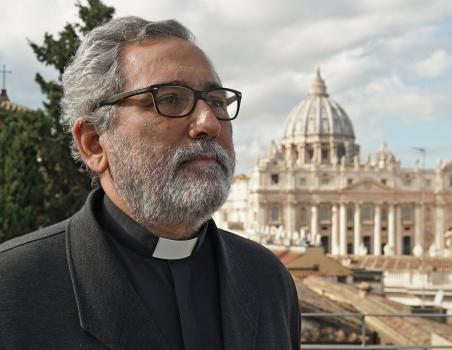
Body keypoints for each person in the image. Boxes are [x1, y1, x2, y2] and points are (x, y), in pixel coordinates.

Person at [0, 17, 300, 350]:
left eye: (216, 101)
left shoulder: (268, 281)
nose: (209, 123)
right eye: (170, 99)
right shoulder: (12, 289)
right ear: (95, 143)